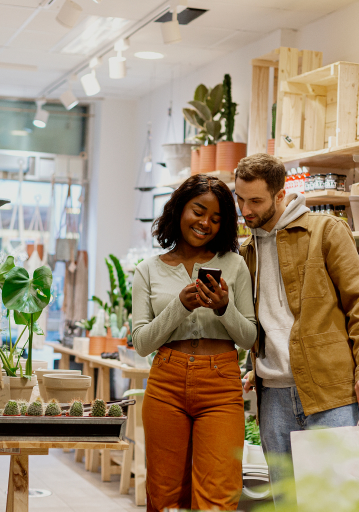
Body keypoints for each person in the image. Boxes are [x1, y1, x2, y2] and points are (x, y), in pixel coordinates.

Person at [234, 154, 359, 503]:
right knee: (286, 502)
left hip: (330, 391)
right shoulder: (248, 250)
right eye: (240, 199)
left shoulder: (325, 231)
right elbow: (264, 318)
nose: (246, 210)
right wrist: (252, 366)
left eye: (255, 201)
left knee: (337, 501)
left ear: (280, 195)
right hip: (272, 395)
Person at [132, 174, 258, 512]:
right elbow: (142, 343)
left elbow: (248, 336)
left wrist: (223, 307)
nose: (205, 223)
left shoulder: (234, 266)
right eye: (198, 211)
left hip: (221, 384)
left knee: (218, 495)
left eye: (216, 219)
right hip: (165, 383)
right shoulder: (148, 270)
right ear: (179, 209)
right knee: (164, 495)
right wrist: (180, 306)